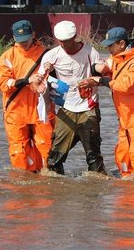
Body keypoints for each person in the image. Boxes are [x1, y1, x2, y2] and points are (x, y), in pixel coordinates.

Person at [78, 27, 134, 179]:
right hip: (125, 118)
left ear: (122, 43)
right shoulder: (118, 60)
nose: (108, 49)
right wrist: (97, 70)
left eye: (111, 46)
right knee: (123, 155)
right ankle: (127, 190)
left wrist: (100, 80)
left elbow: (125, 85)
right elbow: (109, 70)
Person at [38, 20, 106, 175]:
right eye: (61, 42)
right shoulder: (51, 56)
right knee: (54, 157)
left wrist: (100, 73)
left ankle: (95, 190)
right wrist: (46, 73)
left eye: (67, 41)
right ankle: (57, 191)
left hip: (88, 108)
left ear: (75, 37)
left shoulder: (90, 52)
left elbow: (101, 76)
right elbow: (39, 82)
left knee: (93, 155)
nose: (64, 45)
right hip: (66, 108)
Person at [0, 19, 55, 172]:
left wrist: (52, 71)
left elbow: (60, 80)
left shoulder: (48, 54)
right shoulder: (8, 57)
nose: (24, 43)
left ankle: (47, 186)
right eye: (20, 41)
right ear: (14, 38)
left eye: (26, 40)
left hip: (41, 111)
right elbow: (3, 84)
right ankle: (23, 187)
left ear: (33, 34)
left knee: (47, 149)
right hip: (15, 112)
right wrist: (27, 81)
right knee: (19, 153)